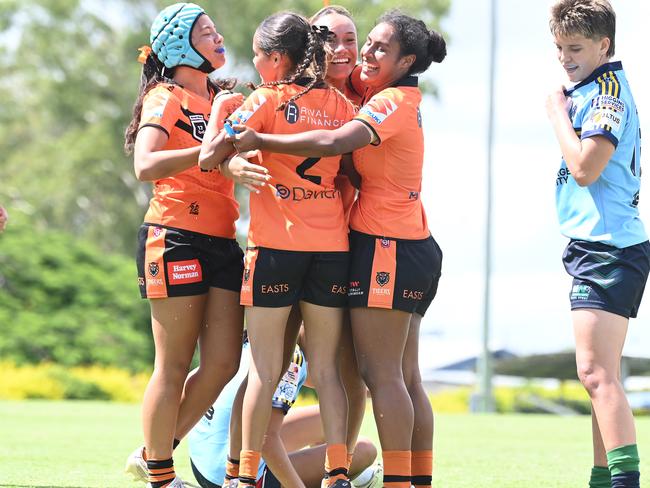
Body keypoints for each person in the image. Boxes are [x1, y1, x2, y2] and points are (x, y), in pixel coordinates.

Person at [224, 11, 446, 488]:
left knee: (373, 372)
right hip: (353, 244)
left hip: (374, 244)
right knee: (280, 367)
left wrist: (256, 142)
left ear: (405, 59)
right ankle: (240, 473)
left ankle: (354, 476)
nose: (352, 49)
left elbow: (336, 145)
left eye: (358, 40)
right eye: (335, 38)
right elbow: (231, 144)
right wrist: (236, 162)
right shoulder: (341, 95)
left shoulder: (377, 101)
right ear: (310, 44)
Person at [199, 11, 357, 488]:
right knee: (327, 369)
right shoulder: (340, 105)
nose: (253, 64)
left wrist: (219, 116)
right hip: (330, 246)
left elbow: (210, 157)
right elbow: (351, 168)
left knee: (264, 371)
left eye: (256, 55)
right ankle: (338, 472)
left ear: (275, 58)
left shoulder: (264, 99)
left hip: (275, 246)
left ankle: (244, 477)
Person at [123, 4, 247, 487]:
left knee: (223, 362)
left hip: (222, 240)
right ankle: (160, 476)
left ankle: (153, 450)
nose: (219, 39)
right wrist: (209, 149)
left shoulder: (222, 97)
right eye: (207, 32)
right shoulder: (165, 96)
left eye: (217, 31)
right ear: (179, 45)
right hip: (173, 237)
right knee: (172, 364)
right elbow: (145, 164)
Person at [546, 2, 649, 488]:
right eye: (559, 47)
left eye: (575, 48)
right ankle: (602, 480)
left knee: (594, 374)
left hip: (610, 249)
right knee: (599, 376)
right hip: (599, 246)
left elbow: (587, 168)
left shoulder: (604, 94)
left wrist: (556, 115)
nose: (564, 58)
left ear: (604, 45)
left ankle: (625, 483)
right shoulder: (589, 87)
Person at [188, 337, 380, 488]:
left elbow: (322, 382)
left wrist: (375, 391)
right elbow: (266, 441)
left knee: (334, 420)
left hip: (201, 462)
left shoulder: (267, 337)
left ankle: (354, 475)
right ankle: (352, 475)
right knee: (365, 449)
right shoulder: (292, 360)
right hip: (228, 473)